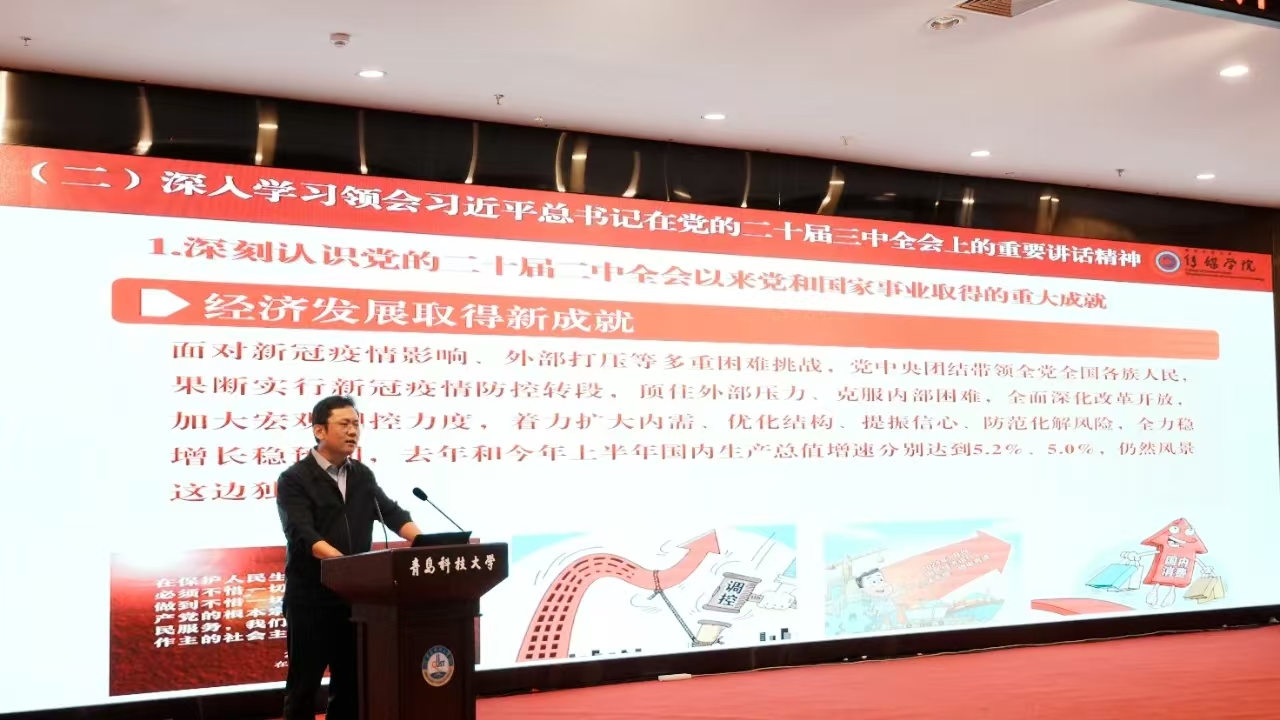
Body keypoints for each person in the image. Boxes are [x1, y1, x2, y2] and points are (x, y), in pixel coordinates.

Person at [276, 395, 424, 720]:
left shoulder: (361, 475)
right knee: (303, 687)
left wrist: (424, 541)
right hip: (311, 600)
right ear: (319, 430)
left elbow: (391, 513)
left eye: (356, 424)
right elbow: (303, 534)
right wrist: (347, 566)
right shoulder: (294, 479)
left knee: (351, 686)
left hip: (355, 600)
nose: (353, 431)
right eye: (344, 424)